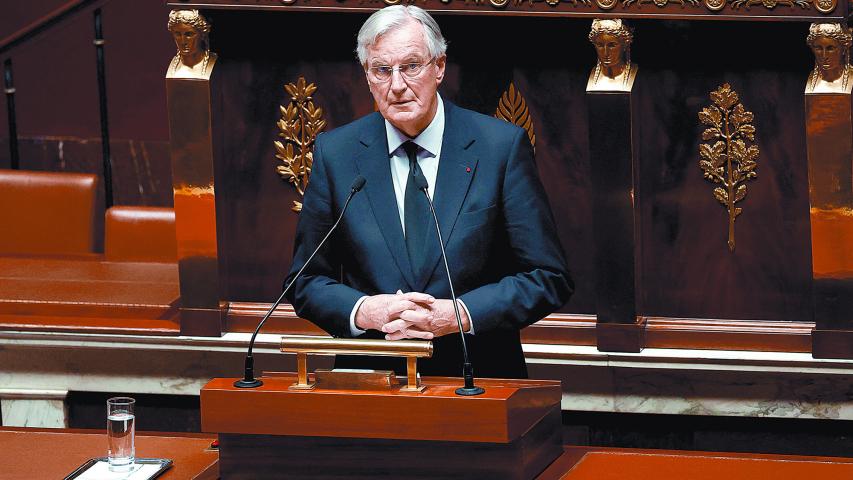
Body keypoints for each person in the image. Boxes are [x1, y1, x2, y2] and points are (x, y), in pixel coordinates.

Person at [286, 5, 572, 379]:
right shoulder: (336, 154)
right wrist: (364, 311)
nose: (397, 85)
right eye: (382, 70)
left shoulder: (499, 148)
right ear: (367, 77)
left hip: (479, 379)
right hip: (372, 384)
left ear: (439, 67)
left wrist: (460, 314)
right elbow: (304, 282)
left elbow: (548, 276)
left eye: (411, 66)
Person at [587, 19, 638, 92]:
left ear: (625, 45)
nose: (606, 53)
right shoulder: (585, 77)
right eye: (600, 45)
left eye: (612, 45)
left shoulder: (642, 78)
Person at [166, 9, 217, 79]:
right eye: (178, 34)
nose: (183, 41)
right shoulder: (173, 67)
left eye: (189, 34)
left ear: (203, 35)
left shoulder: (215, 64)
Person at [806, 22, 853, 94]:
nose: (824, 56)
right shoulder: (811, 81)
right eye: (819, 48)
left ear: (843, 49)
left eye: (830, 48)